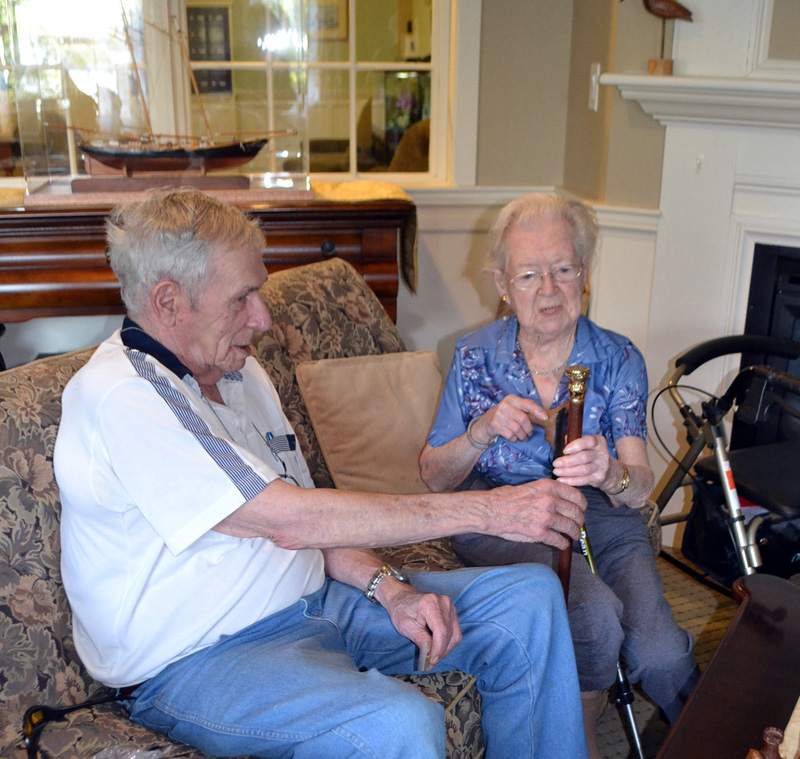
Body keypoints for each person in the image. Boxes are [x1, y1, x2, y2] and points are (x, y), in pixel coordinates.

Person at [54, 188, 590, 759]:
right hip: (200, 662)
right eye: (243, 298)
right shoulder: (124, 397)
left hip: (320, 605)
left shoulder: (240, 373)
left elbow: (316, 526)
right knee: (397, 725)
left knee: (528, 601)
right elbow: (288, 520)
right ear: (167, 301)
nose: (262, 317)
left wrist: (390, 589)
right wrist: (491, 510)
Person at [419, 193, 700, 759]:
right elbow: (433, 477)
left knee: (662, 653)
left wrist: (611, 471)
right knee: (591, 612)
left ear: (584, 274)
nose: (548, 288)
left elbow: (640, 485)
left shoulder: (617, 357)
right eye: (528, 274)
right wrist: (482, 430)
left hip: (601, 517)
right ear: (502, 283)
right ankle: (580, 744)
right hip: (503, 513)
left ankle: (715, 735)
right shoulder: (474, 357)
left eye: (563, 269)